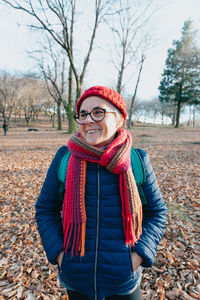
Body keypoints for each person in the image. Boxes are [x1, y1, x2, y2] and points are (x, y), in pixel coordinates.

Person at [35, 86, 167, 300]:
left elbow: (157, 212)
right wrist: (61, 256)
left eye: (98, 112)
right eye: (83, 114)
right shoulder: (64, 158)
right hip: (76, 278)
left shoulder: (137, 160)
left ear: (120, 119)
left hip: (123, 279)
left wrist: (136, 258)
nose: (88, 120)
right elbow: (45, 209)